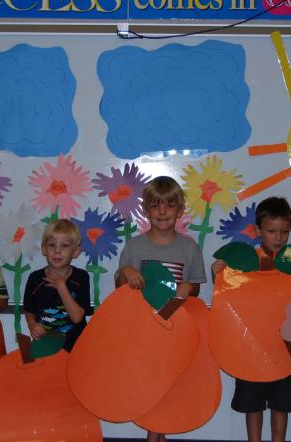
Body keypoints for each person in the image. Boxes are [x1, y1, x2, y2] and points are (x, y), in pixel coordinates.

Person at [116, 175, 206, 442]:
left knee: (168, 384)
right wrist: (127, 271)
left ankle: (157, 435)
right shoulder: (135, 246)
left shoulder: (189, 247)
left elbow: (196, 288)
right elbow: (120, 289)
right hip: (143, 330)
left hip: (174, 328)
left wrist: (188, 287)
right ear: (146, 210)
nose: (162, 211)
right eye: (155, 205)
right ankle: (155, 435)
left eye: (169, 205)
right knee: (149, 384)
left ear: (180, 210)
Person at [211, 196, 291, 442]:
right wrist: (218, 275)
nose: (278, 237)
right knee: (253, 406)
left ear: (290, 229)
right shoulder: (245, 261)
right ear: (258, 230)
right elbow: (231, 293)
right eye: (272, 231)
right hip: (250, 349)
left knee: (281, 406)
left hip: (284, 350)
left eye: (284, 231)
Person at [24, 219, 92, 352]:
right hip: (46, 347)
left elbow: (77, 317)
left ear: (76, 251)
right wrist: (32, 325)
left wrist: (61, 286)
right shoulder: (35, 278)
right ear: (44, 249)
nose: (57, 251)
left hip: (76, 348)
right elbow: (29, 310)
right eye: (51, 245)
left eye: (65, 245)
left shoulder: (81, 277)